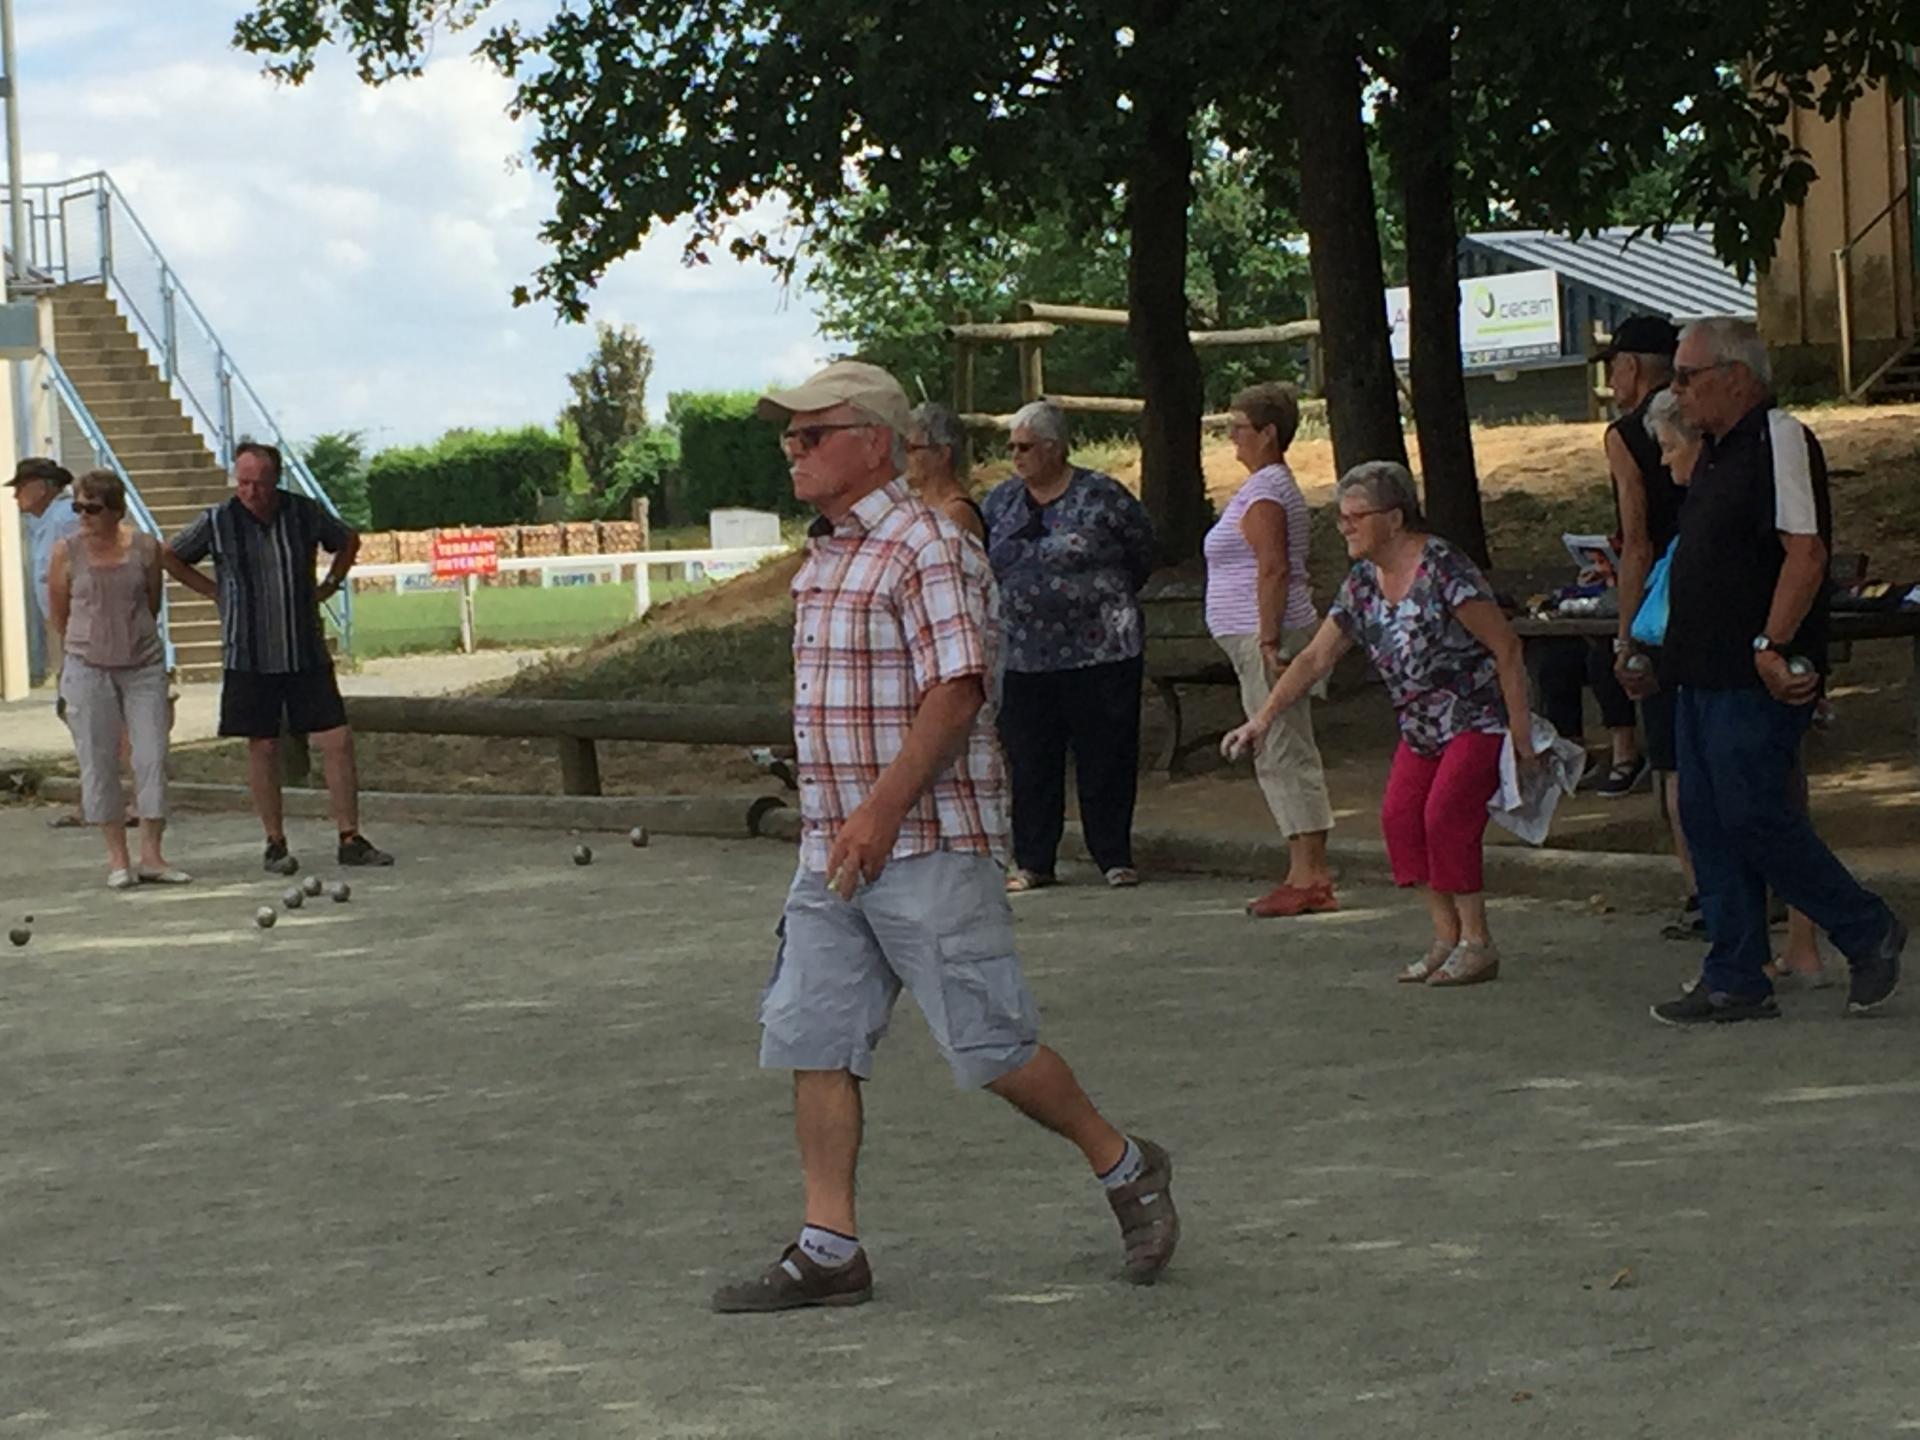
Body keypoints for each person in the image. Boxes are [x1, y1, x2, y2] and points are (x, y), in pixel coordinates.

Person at [710, 360, 1179, 1314]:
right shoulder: (828, 553)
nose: (790, 450)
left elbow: (957, 691)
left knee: (992, 1047)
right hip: (832, 854)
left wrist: (878, 812)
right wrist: (838, 821)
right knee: (815, 1037)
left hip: (925, 840)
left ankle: (1125, 1164)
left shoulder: (931, 545)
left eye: (812, 434)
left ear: (874, 442)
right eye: (788, 436)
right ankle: (829, 1243)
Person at [1649, 317, 1905, 1025]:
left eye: (1687, 376)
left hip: (1754, 670)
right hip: (1701, 668)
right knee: (1705, 815)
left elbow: (1806, 552)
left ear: (1736, 375)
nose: (1679, 389)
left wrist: (1773, 641)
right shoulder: (1713, 454)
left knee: (1753, 811)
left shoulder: (1778, 438)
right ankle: (1735, 972)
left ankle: (1863, 926)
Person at [1223, 462, 1538, 988]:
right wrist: (1262, 719)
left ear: (1392, 520)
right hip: (1419, 726)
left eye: (1355, 517)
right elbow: (1314, 658)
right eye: (1341, 517)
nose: (1344, 526)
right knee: (1399, 819)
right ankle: (1445, 937)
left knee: (1445, 818)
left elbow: (1506, 645)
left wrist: (1521, 734)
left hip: (1475, 716)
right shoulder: (1363, 582)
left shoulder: (1442, 567)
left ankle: (1477, 941)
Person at [161, 442, 393, 874]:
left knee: (337, 739)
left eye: (259, 484)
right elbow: (170, 554)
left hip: (303, 647)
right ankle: (274, 841)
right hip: (247, 652)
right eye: (243, 482)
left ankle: (349, 836)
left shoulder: (303, 513)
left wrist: (331, 583)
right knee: (262, 745)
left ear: (276, 481)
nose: (250, 492)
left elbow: (347, 539)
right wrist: (215, 592)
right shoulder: (218, 520)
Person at [982, 400, 1155, 891]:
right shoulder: (1000, 502)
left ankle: (1114, 856)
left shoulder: (1102, 496)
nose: (1016, 455)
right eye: (1012, 446)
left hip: (1101, 651)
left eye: (1026, 446)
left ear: (1055, 448)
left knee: (1106, 756)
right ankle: (1034, 860)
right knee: (1032, 761)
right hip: (1023, 655)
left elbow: (1141, 549)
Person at [1204, 381, 1337, 917]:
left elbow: (1273, 567)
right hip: (1254, 633)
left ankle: (1309, 873)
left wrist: (1268, 638)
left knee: (1281, 744)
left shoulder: (1265, 492)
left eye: (1239, 427)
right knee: (1277, 745)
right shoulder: (1264, 486)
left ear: (1268, 433)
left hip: (1267, 636)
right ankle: (1303, 867)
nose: (1231, 437)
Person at [45, 469, 187, 889]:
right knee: (98, 758)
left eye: (92, 507)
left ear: (116, 509)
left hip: (141, 664)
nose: (83, 515)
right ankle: (117, 859)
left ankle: (153, 855)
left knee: (151, 756)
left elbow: (151, 601)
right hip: (87, 665)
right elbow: (59, 612)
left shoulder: (145, 547)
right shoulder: (65, 552)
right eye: (78, 507)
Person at [905, 402, 985, 543]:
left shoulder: (957, 514)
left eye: (911, 448)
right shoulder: (919, 503)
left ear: (942, 454)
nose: (904, 456)